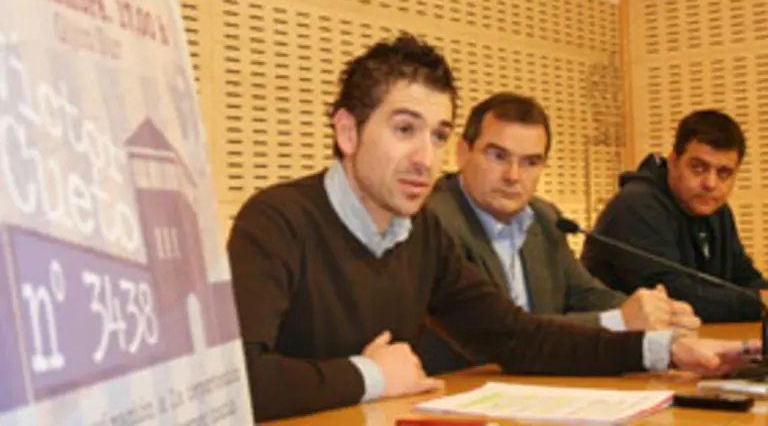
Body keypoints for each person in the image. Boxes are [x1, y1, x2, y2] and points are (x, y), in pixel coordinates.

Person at [226, 35, 758, 422]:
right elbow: (237, 382)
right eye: (404, 128)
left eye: (437, 135)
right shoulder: (275, 221)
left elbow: (517, 337)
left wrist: (661, 349)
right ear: (348, 130)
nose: (424, 158)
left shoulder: (421, 232)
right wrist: (373, 376)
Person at [419, 93, 701, 374]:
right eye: (498, 156)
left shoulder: (544, 217)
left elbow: (585, 293)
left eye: (531, 162)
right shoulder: (435, 223)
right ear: (462, 153)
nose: (513, 175)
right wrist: (617, 321)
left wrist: (654, 311)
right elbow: (505, 334)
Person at [581, 109, 768, 323]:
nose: (710, 183)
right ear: (673, 161)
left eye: (723, 173)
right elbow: (673, 295)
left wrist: (761, 295)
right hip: (616, 349)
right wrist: (758, 302)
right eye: (698, 168)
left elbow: (743, 276)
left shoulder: (718, 211)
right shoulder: (636, 205)